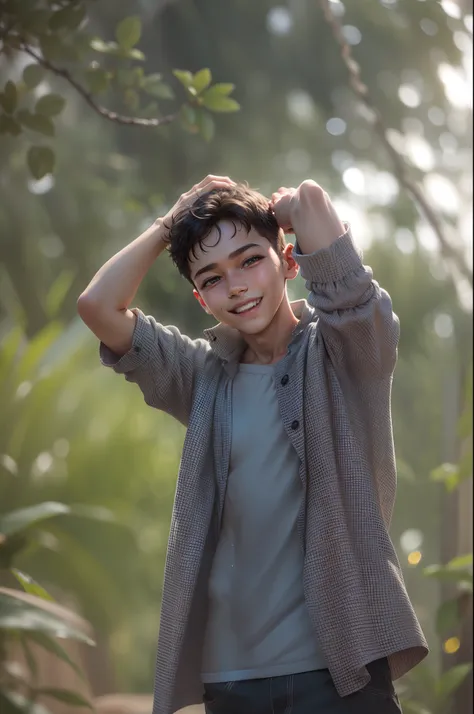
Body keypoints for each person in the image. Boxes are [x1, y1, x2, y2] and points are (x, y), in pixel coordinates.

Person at [77, 175, 428, 714]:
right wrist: (169, 224)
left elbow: (314, 205)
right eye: (213, 278)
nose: (236, 285)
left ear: (289, 261)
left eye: (250, 260)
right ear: (200, 298)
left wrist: (283, 205)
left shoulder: (348, 354)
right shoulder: (201, 378)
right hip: (233, 680)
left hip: (341, 672)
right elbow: (98, 306)